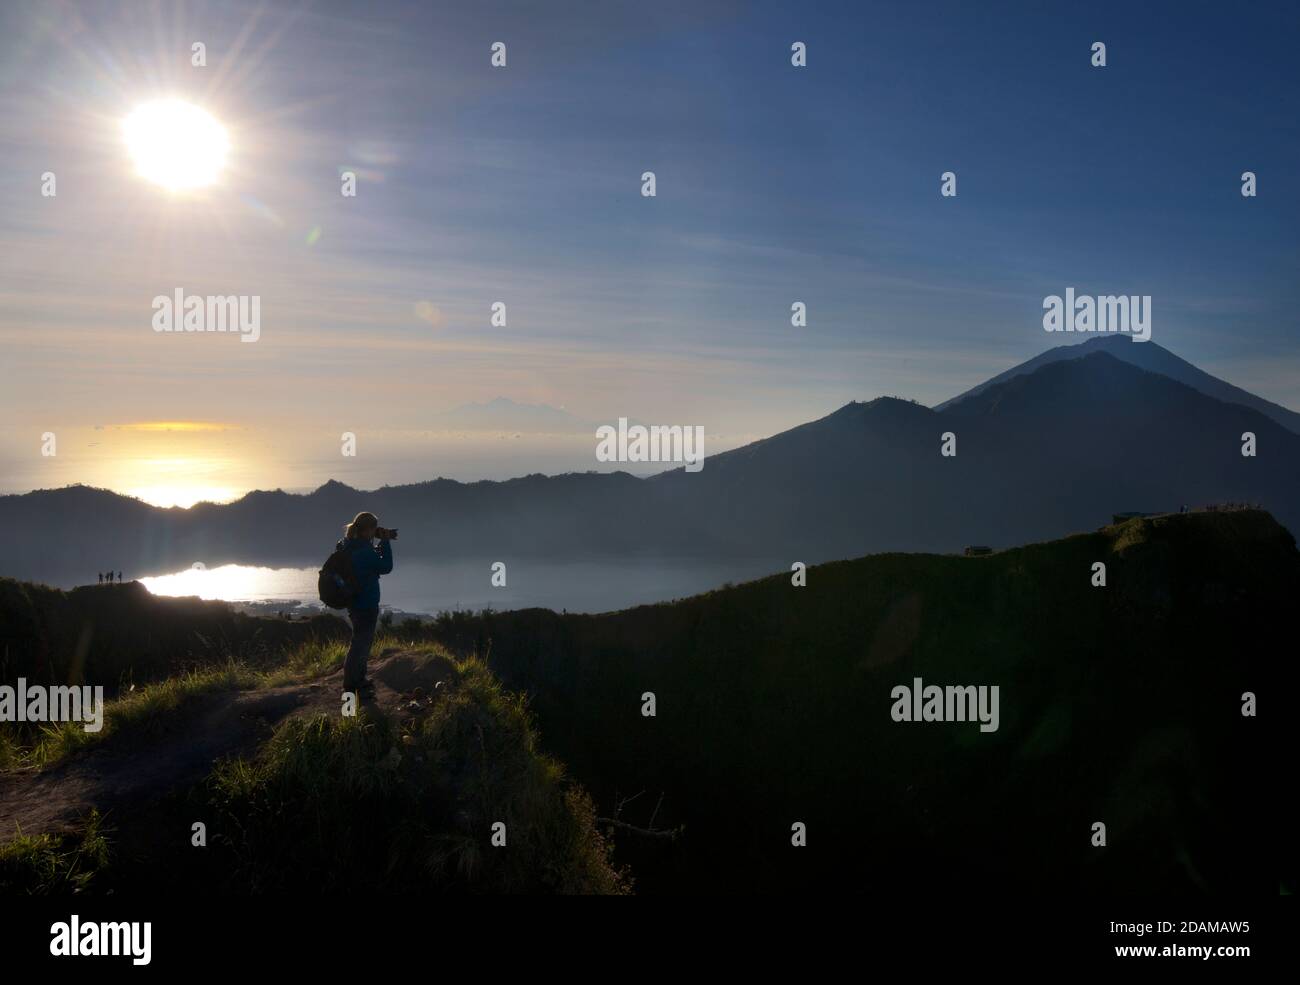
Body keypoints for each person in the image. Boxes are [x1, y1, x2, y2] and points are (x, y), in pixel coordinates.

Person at [339, 511, 394, 696]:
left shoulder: (346, 545)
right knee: (361, 644)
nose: (376, 532)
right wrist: (385, 542)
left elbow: (364, 564)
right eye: (374, 529)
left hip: (353, 602)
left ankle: (356, 679)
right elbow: (386, 567)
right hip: (366, 604)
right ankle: (353, 683)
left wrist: (375, 545)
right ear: (368, 530)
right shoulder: (364, 551)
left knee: (358, 641)